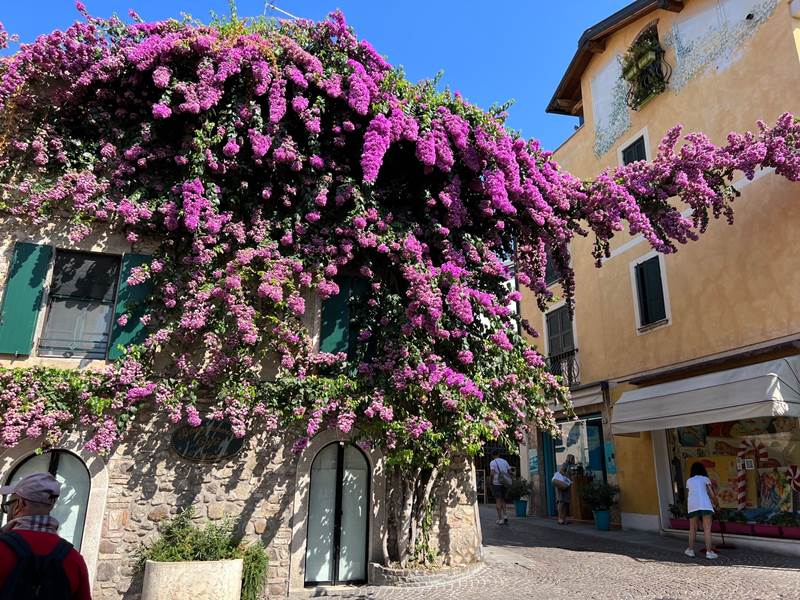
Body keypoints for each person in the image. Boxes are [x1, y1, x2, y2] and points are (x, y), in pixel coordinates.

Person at [0, 472, 92, 599]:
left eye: (8, 505)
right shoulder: (74, 559)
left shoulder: (2, 548)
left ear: (20, 504)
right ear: (51, 505)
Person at [684, 461, 720, 560]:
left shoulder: (689, 481)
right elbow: (712, 495)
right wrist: (717, 504)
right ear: (703, 470)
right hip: (705, 505)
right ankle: (709, 552)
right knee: (707, 529)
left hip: (693, 505)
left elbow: (690, 494)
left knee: (692, 529)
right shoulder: (705, 479)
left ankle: (690, 550)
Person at [489, 450, 512, 525]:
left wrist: (491, 481)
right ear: (499, 454)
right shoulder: (505, 461)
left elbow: (492, 473)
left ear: (492, 456)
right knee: (503, 500)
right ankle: (505, 516)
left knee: (498, 500)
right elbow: (510, 471)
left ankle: (500, 519)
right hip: (504, 483)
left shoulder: (493, 462)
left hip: (496, 483)